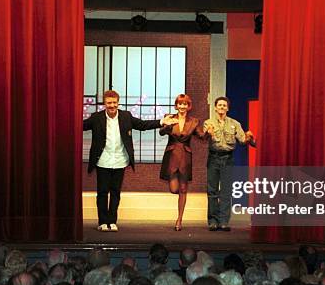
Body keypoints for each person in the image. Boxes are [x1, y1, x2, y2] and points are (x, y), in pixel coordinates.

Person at [83, 90, 177, 232]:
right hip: (102, 160)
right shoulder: (96, 118)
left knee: (115, 192)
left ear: (118, 103)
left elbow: (142, 125)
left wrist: (161, 121)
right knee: (102, 192)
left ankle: (112, 221)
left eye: (114, 102)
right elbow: (80, 126)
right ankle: (102, 222)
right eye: (109, 103)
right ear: (104, 104)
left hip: (120, 160)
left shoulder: (126, 116)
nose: (112, 105)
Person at [204, 96, 255, 231]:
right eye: (219, 105)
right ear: (215, 108)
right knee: (212, 191)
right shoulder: (208, 123)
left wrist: (249, 137)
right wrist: (208, 134)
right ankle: (213, 221)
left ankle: (224, 221)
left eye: (224, 105)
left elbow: (243, 140)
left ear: (227, 108)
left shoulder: (234, 124)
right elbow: (203, 137)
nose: (221, 107)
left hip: (228, 159)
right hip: (213, 158)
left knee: (226, 191)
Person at [159, 94, 206, 231]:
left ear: (188, 106)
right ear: (176, 105)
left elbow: (201, 136)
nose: (182, 106)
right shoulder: (170, 117)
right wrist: (167, 126)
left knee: (184, 189)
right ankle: (180, 201)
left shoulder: (194, 121)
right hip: (172, 155)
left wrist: (208, 132)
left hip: (185, 156)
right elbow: (161, 132)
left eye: (185, 104)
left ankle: (179, 220)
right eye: (180, 104)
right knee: (174, 189)